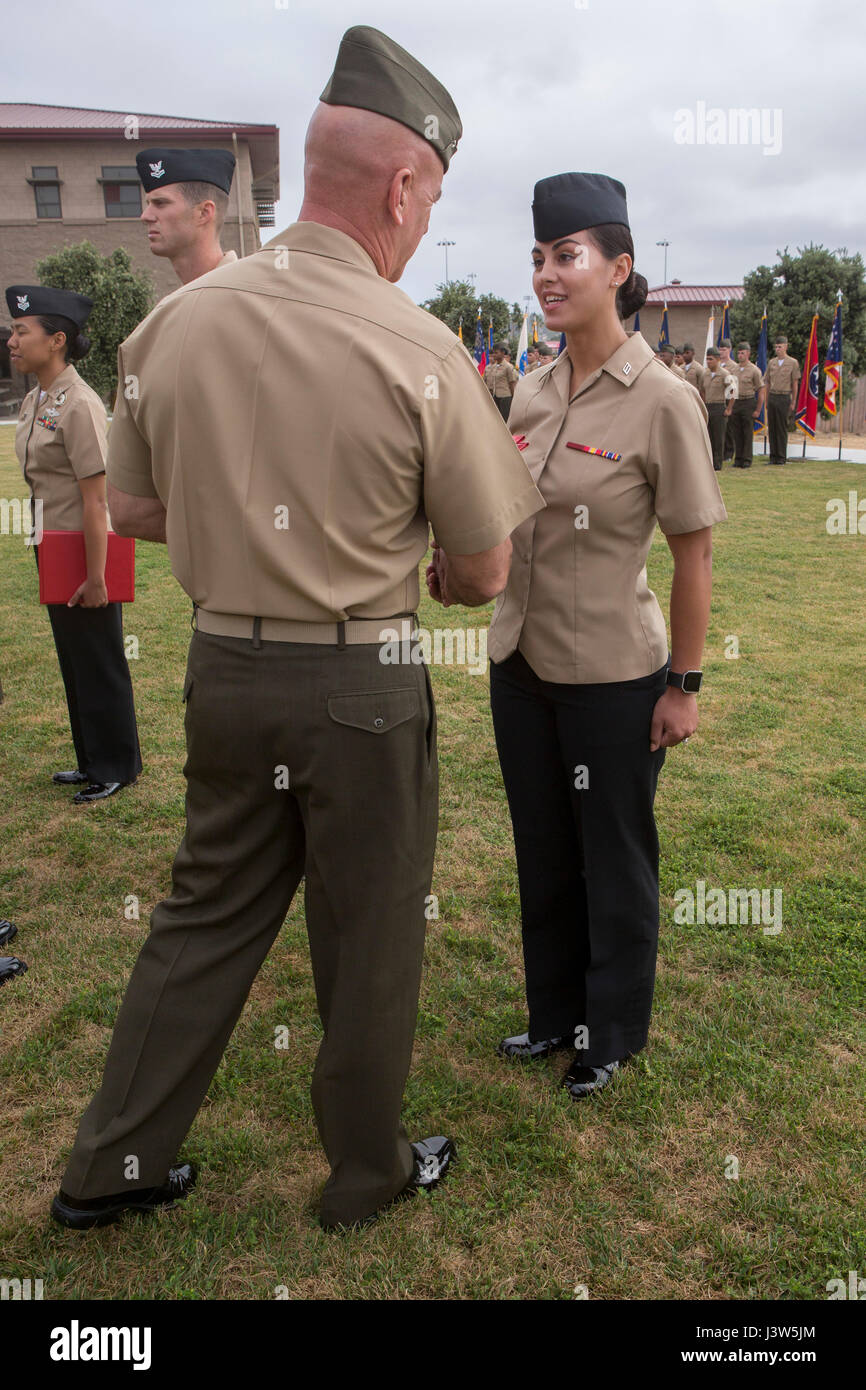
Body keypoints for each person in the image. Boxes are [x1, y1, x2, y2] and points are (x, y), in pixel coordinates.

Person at [50, 24, 543, 1234]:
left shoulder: (174, 325)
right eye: (433, 198)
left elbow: (145, 507)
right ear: (402, 182)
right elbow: (482, 569)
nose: (426, 222)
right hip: (360, 685)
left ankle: (110, 1166)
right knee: (370, 935)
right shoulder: (420, 346)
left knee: (200, 917)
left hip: (224, 665)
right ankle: (363, 1173)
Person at [432, 172, 726, 1098]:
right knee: (544, 847)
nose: (547, 275)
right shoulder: (533, 387)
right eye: (537, 259)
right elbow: (512, 519)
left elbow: (694, 557)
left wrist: (685, 684)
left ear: (620, 267)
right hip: (520, 662)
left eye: (567, 256)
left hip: (611, 673)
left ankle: (610, 1032)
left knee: (613, 856)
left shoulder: (663, 400)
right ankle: (551, 1013)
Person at [6, 286, 142, 802]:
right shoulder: (38, 398)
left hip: (87, 553)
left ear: (57, 339)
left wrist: (97, 576)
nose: (12, 341)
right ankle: (91, 760)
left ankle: (117, 766)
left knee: (100, 659)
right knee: (74, 658)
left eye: (22, 331)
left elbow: (97, 501)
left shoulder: (80, 404)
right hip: (55, 549)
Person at [135, 148, 238, 286]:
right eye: (148, 204)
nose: (145, 216)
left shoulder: (246, 296)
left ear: (204, 213)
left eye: (160, 203)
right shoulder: (185, 298)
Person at [763, 335, 800, 465]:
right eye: (776, 347)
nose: (778, 349)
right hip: (773, 395)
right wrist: (766, 399)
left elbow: (795, 383)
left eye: (780, 347)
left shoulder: (792, 362)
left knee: (781, 428)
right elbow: (767, 381)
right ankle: (773, 456)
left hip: (784, 396)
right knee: (772, 428)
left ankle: (781, 457)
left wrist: (793, 401)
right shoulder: (772, 362)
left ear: (786, 347)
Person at [730, 341, 765, 468]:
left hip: (748, 401)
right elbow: (731, 389)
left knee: (747, 432)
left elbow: (761, 390)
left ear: (748, 354)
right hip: (736, 402)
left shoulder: (754, 370)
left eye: (742, 353)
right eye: (738, 353)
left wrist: (758, 409)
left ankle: (747, 459)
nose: (740, 355)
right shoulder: (734, 369)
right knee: (737, 432)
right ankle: (738, 458)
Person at [703, 345, 734, 470]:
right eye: (707, 359)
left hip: (719, 406)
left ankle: (717, 463)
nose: (708, 362)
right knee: (708, 437)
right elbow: (702, 390)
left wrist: (729, 408)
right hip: (708, 406)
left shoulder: (725, 374)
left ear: (717, 359)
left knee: (718, 438)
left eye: (710, 359)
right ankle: (709, 462)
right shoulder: (705, 374)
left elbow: (733, 392)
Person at [484, 343, 519, 420]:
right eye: (493, 353)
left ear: (503, 353)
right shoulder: (493, 367)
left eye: (496, 353)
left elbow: (512, 383)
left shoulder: (508, 367)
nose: (494, 355)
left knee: (505, 419)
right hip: (495, 396)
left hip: (505, 397)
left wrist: (514, 398)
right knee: (496, 419)